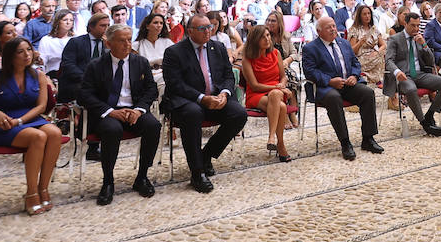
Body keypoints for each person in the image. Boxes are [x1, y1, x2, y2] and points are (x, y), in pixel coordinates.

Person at [0, 36, 62, 215]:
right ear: (11, 55)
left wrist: (21, 121)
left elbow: (41, 106)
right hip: (4, 124)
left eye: (28, 50)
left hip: (30, 118)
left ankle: (44, 188)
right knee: (38, 137)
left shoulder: (39, 75)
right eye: (20, 51)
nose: (27, 55)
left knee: (55, 133)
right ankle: (31, 193)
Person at [162, 14, 249, 193]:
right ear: (190, 31)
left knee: (239, 114)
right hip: (188, 101)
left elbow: (228, 76)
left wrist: (224, 94)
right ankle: (197, 171)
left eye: (210, 27)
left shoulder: (217, 47)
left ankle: (205, 155)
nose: (208, 32)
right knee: (193, 114)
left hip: (216, 98)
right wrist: (202, 98)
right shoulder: (175, 52)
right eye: (202, 29)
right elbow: (175, 84)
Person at [78, 23, 160, 205]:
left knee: (153, 126)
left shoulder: (140, 62)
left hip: (134, 110)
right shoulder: (96, 65)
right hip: (107, 113)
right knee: (112, 130)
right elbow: (85, 94)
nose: (127, 44)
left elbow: (151, 90)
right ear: (109, 44)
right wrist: (110, 112)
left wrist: (139, 110)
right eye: (122, 41)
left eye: (129, 40)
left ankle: (142, 176)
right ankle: (108, 181)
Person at [302, 15, 383, 160]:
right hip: (326, 87)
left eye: (334, 25)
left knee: (368, 93)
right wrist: (330, 81)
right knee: (334, 98)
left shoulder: (344, 43)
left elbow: (355, 63)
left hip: (348, 84)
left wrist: (354, 75)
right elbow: (310, 72)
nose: (333, 29)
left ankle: (368, 138)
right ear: (319, 31)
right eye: (329, 27)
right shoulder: (310, 48)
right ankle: (345, 142)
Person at [384, 13, 441, 136]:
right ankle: (425, 124)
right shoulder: (395, 39)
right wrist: (397, 71)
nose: (415, 29)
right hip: (404, 75)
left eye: (418, 26)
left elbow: (431, 62)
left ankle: (430, 114)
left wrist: (424, 45)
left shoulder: (419, 38)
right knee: (410, 89)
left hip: (419, 74)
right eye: (412, 26)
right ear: (405, 23)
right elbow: (388, 60)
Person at [239, 24, 293, 161]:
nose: (267, 39)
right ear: (255, 40)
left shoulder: (276, 53)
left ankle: (271, 137)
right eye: (262, 37)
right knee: (280, 106)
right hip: (257, 94)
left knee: (276, 96)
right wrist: (278, 87)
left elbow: (283, 76)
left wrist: (281, 85)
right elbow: (254, 86)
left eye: (268, 35)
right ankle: (280, 145)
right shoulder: (247, 59)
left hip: (277, 92)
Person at [57, 11, 111, 109]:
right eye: (103, 25)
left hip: (101, 83)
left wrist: (108, 48)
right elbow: (68, 65)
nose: (106, 29)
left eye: (108, 25)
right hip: (78, 82)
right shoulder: (76, 42)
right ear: (91, 27)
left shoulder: (108, 45)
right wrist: (87, 79)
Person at [134, 11, 171, 101]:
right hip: (145, 76)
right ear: (147, 26)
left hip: (164, 73)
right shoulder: (137, 45)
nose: (159, 25)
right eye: (155, 23)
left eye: (161, 23)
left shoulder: (168, 42)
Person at [347, 4, 387, 88]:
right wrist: (360, 42)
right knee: (379, 57)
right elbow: (351, 51)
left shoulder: (373, 29)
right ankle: (374, 79)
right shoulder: (355, 29)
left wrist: (377, 52)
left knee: (383, 53)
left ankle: (378, 79)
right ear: (359, 16)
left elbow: (383, 45)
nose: (367, 16)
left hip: (373, 54)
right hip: (360, 57)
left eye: (369, 13)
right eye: (364, 14)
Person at [36, 8, 75, 85]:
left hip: (72, 75)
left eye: (71, 20)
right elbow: (42, 61)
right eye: (65, 20)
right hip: (53, 75)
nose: (68, 22)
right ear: (58, 21)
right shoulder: (47, 40)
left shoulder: (75, 39)